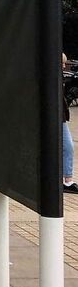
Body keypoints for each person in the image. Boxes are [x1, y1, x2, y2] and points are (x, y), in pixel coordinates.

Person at [63, 53, 78, 193]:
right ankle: (67, 181)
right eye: (62, 64)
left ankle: (68, 180)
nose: (64, 66)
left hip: (59, 117)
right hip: (57, 118)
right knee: (68, 147)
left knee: (67, 147)